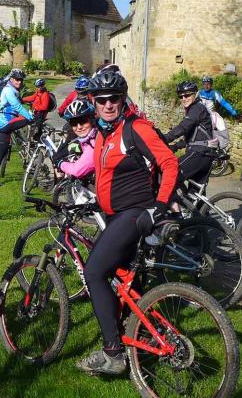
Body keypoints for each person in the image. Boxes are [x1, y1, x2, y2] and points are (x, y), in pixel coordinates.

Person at [76, 71, 179, 375]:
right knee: (119, 277)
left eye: (114, 99)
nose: (108, 105)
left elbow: (169, 163)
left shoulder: (136, 128)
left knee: (94, 273)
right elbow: (106, 174)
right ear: (93, 103)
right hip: (116, 214)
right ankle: (136, 331)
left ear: (123, 100)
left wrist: (158, 208)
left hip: (134, 214)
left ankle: (114, 353)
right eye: (102, 100)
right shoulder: (106, 133)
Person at [163, 80, 215, 185]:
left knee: (170, 176)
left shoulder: (197, 108)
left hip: (199, 154)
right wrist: (175, 147)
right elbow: (191, 138)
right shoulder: (195, 108)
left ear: (195, 94)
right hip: (204, 154)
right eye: (180, 96)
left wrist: (162, 138)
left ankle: (174, 202)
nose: (183, 99)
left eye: (187, 95)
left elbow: (183, 127)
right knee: (193, 195)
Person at [0, 68, 33, 186]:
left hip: (3, 124)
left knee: (1, 152)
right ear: (12, 79)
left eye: (21, 80)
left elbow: (17, 107)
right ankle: (35, 143)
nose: (19, 82)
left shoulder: (12, 89)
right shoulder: (8, 91)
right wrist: (30, 117)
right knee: (32, 120)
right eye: (17, 80)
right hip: (6, 123)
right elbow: (17, 107)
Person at [52, 99, 97, 180]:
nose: (79, 127)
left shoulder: (94, 141)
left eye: (83, 121)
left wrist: (60, 163)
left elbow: (77, 171)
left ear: (91, 120)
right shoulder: (86, 138)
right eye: (74, 123)